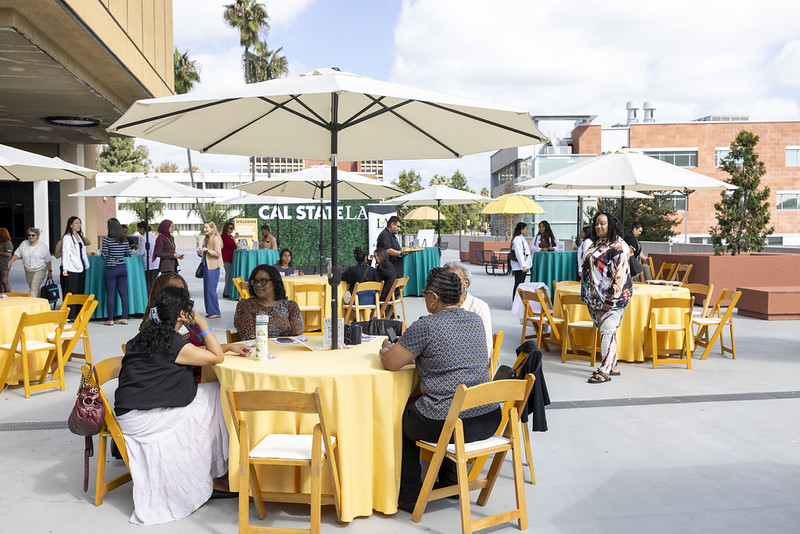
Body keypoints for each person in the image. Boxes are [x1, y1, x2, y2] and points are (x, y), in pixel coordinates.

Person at [115, 285, 243, 525]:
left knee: (212, 394)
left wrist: (229, 346)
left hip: (131, 413)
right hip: (146, 419)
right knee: (218, 397)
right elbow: (216, 358)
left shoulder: (148, 335)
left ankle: (212, 472)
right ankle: (213, 474)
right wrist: (202, 323)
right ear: (183, 313)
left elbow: (193, 352)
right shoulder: (173, 343)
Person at [379, 268, 502, 512]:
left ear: (434, 298)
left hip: (451, 423)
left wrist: (385, 348)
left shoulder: (427, 326)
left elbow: (391, 363)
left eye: (425, 294)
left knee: (402, 420)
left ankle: (410, 496)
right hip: (488, 417)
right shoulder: (476, 320)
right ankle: (451, 482)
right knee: (448, 408)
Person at [140, 272, 252, 382]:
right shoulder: (159, 325)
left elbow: (197, 349)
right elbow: (191, 351)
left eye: (182, 289)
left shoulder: (185, 319)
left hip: (203, 367)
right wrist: (202, 322)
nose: (180, 293)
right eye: (174, 289)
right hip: (187, 378)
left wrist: (228, 347)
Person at [581, 211, 632, 384]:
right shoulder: (598, 244)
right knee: (607, 332)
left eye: (602, 223)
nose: (599, 226)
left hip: (614, 299)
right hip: (595, 298)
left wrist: (611, 299)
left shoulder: (619, 247)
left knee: (607, 331)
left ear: (610, 224)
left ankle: (604, 371)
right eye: (596, 223)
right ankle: (614, 364)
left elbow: (620, 275)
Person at [233, 264, 303, 339]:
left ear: (275, 283)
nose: (258, 285)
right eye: (255, 281)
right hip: (257, 349)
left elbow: (297, 338)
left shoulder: (291, 306)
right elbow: (249, 338)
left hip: (285, 349)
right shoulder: (245, 305)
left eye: (263, 281)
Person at [444, 262, 493, 363]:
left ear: (466, 282)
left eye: (455, 279)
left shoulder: (479, 307)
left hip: (472, 362)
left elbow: (486, 346)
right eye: (446, 280)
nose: (450, 284)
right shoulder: (440, 304)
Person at [101, 218, 132, 326]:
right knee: (124, 294)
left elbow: (103, 256)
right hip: (122, 268)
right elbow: (128, 254)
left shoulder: (107, 240)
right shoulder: (124, 240)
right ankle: (124, 317)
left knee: (110, 294)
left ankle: (110, 319)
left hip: (111, 269)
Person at [60, 216, 91, 321]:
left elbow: (82, 251)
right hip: (71, 267)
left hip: (81, 266)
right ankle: (69, 315)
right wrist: (65, 268)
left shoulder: (79, 236)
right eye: (76, 223)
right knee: (71, 291)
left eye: (80, 223)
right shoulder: (67, 237)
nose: (79, 225)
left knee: (79, 290)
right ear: (71, 225)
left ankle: (78, 313)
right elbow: (66, 253)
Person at [9, 227, 52, 296]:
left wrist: (50, 271)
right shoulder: (24, 244)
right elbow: (17, 253)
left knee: (34, 287)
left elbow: (48, 259)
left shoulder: (43, 246)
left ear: (37, 236)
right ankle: (39, 303)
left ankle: (33, 305)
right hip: (28, 270)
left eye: (33, 235)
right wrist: (11, 261)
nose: (31, 237)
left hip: (40, 269)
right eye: (29, 235)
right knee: (33, 288)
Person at [198, 221, 222, 319]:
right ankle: (210, 311)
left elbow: (217, 253)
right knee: (207, 290)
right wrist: (201, 252)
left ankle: (215, 311)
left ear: (212, 228)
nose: (205, 230)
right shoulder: (206, 239)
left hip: (213, 267)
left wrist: (206, 250)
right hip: (206, 265)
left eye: (206, 228)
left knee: (211, 290)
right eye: (204, 228)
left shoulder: (215, 238)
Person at [509, 222, 531, 301]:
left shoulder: (520, 238)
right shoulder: (517, 239)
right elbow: (519, 253)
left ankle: (518, 301)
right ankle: (516, 301)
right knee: (518, 284)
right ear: (521, 229)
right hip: (519, 266)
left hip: (521, 265)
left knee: (520, 284)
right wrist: (523, 265)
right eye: (525, 229)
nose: (526, 230)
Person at [135, 222, 160, 290]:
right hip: (156, 264)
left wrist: (131, 251)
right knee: (153, 285)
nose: (138, 231)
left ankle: (149, 299)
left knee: (148, 286)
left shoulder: (144, 238)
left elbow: (140, 252)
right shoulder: (153, 237)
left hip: (149, 265)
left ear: (142, 229)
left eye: (138, 229)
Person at [220, 222, 237, 298]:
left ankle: (227, 291)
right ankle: (226, 292)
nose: (232, 230)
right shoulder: (224, 236)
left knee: (229, 276)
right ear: (226, 228)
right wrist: (234, 238)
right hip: (227, 258)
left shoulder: (229, 236)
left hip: (230, 258)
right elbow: (229, 244)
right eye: (230, 228)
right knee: (228, 276)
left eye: (232, 228)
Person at [0, 227, 13, 292]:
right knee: (0, 282)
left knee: (4, 281)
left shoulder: (8, 243)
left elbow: (8, 254)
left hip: (4, 266)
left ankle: (8, 294)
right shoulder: (1, 243)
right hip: (0, 265)